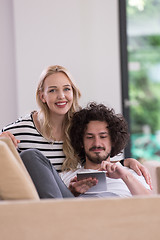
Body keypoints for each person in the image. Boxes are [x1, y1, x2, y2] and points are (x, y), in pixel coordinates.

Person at [0, 65, 151, 184]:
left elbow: (94, 160)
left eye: (67, 89)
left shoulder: (79, 127)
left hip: (69, 196)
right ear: (42, 96)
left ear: (73, 92)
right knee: (31, 156)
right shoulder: (22, 129)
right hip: (38, 199)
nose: (61, 96)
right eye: (53, 90)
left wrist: (126, 162)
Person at [20, 102, 151, 199]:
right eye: (90, 137)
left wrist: (124, 175)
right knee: (30, 155)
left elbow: (152, 206)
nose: (96, 143)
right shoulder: (67, 177)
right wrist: (72, 193)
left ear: (113, 140)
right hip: (76, 218)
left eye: (103, 136)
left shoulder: (131, 172)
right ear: (81, 142)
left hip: (116, 221)